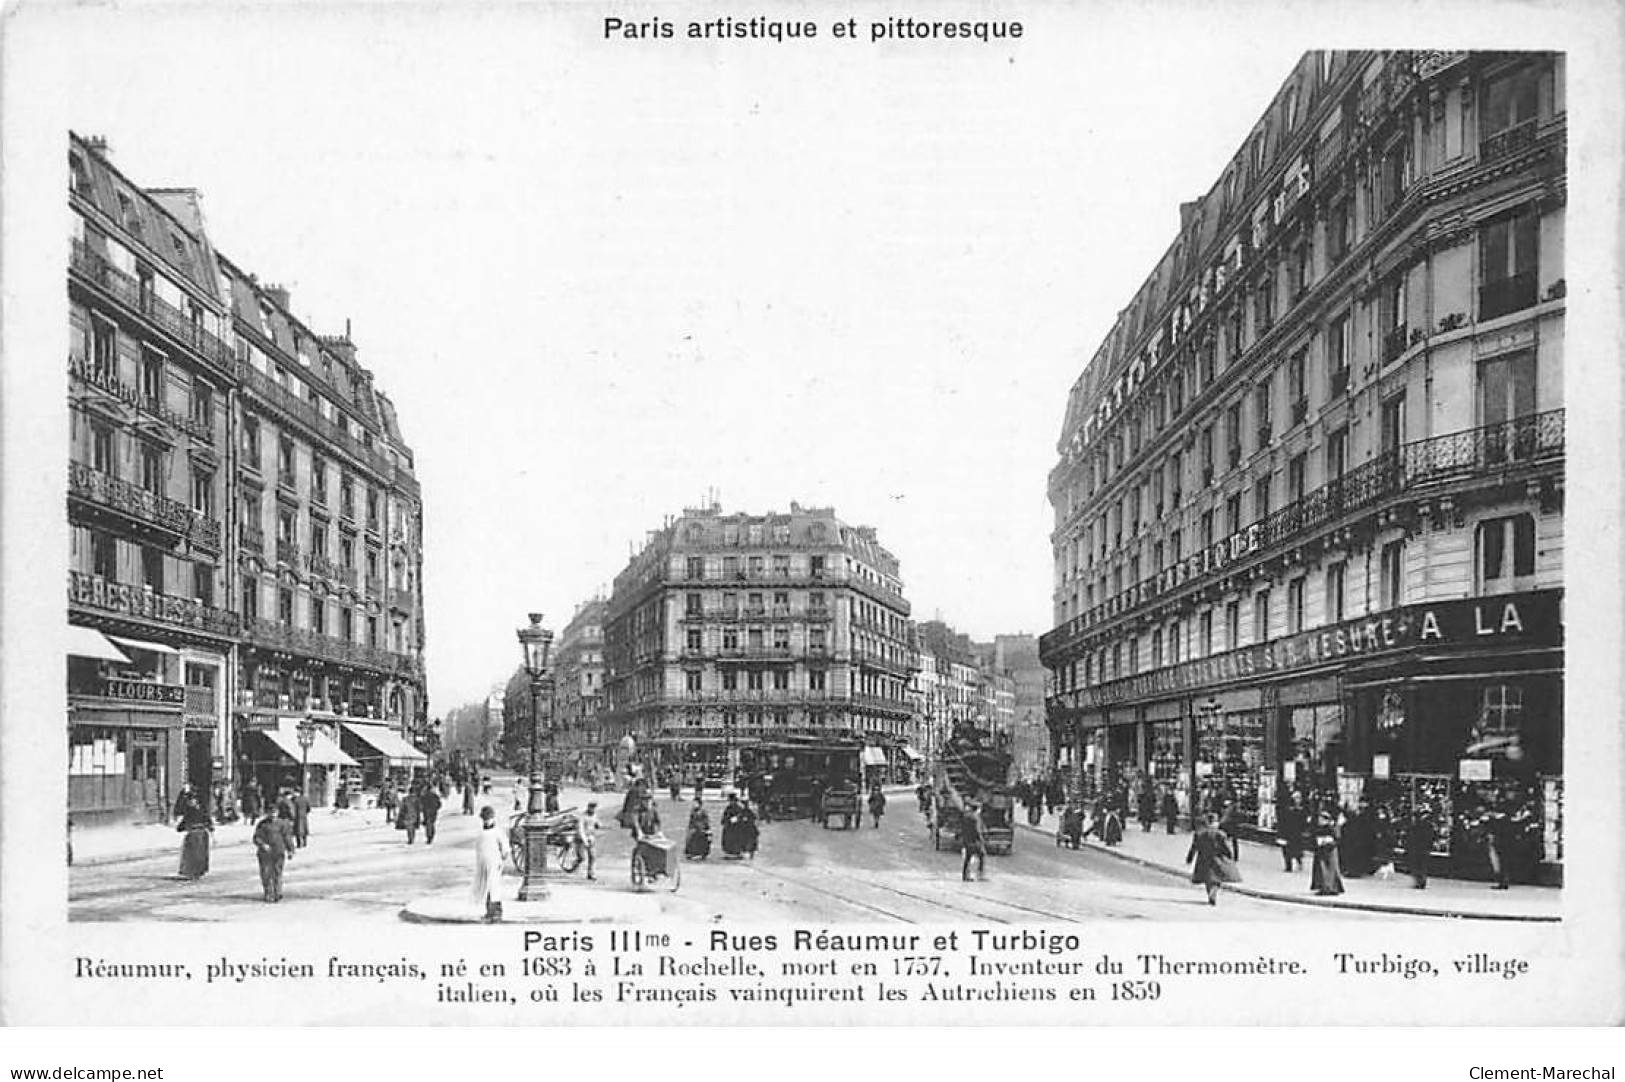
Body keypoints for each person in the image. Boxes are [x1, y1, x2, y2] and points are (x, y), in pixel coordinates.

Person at [1186, 813, 1242, 906]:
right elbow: (1226, 847)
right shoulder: (1220, 834)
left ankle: (1210, 894)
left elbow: (1194, 847)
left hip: (1204, 858)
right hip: (1218, 858)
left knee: (1208, 879)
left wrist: (1190, 858)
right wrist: (1230, 856)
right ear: (1216, 823)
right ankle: (1213, 893)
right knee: (1217, 878)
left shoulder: (1200, 833)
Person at [469, 805, 510, 921]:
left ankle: (496, 912)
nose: (487, 821)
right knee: (486, 887)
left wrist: (501, 860)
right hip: (483, 864)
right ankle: (489, 911)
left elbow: (505, 848)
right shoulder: (481, 832)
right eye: (485, 819)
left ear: (493, 818)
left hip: (494, 863)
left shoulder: (497, 832)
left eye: (488, 819)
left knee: (494, 887)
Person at [252, 805, 296, 902]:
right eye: (271, 812)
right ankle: (268, 893)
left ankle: (277, 892)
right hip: (265, 853)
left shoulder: (282, 824)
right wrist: (262, 844)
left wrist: (290, 850)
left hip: (278, 851)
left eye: (275, 812)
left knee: (277, 873)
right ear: (267, 813)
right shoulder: (262, 824)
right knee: (266, 874)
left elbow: (287, 838)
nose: (273, 815)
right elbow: (256, 838)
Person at [174, 784, 213, 880]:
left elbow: (207, 819)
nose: (191, 802)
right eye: (189, 801)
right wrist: (181, 827)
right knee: (190, 855)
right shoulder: (189, 811)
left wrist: (210, 827)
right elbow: (183, 822)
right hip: (192, 834)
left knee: (199, 855)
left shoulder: (201, 810)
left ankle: (198, 871)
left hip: (200, 834)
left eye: (192, 800)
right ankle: (190, 871)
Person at [1309, 802, 1345, 896]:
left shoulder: (1331, 828)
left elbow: (1337, 838)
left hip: (1330, 850)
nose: (1320, 821)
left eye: (1322, 819)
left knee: (1330, 869)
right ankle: (1323, 887)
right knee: (1321, 870)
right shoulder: (1319, 828)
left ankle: (1331, 887)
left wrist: (1328, 841)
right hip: (1321, 850)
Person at [1404, 810, 1437, 890]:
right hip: (1422, 848)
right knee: (1421, 866)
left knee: (1418, 865)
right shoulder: (1427, 826)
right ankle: (1421, 881)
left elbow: (1411, 837)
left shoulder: (1417, 826)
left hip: (1418, 848)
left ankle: (1420, 881)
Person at [720, 793, 759, 860]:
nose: (731, 802)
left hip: (737, 828)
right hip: (729, 827)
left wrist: (738, 819)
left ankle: (738, 852)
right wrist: (727, 821)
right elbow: (725, 818)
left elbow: (746, 818)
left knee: (739, 839)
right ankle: (730, 852)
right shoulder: (728, 808)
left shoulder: (740, 809)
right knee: (728, 839)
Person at [1277, 790, 1306, 873]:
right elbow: (1283, 820)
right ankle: (1288, 866)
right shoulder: (1287, 808)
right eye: (1296, 798)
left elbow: (1303, 821)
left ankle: (1299, 861)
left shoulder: (1302, 810)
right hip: (1287, 832)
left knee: (1296, 850)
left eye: (1299, 798)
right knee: (1286, 850)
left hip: (1297, 833)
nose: (1298, 800)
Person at [959, 800, 987, 881]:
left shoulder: (966, 816)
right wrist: (981, 839)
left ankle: (965, 875)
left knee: (968, 858)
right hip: (974, 841)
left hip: (967, 840)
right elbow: (977, 830)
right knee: (982, 855)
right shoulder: (975, 818)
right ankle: (980, 875)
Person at [1370, 805, 1397, 879]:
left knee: (1384, 852)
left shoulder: (1385, 819)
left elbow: (1386, 827)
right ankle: (1384, 868)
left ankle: (1386, 868)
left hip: (1385, 838)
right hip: (1381, 838)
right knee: (1381, 852)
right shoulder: (1378, 818)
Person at [579, 801, 601, 880]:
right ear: (588, 807)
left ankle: (591, 873)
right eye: (592, 808)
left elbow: (597, 823)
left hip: (591, 838)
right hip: (582, 839)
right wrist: (584, 840)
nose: (593, 810)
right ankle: (575, 864)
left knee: (593, 856)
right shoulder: (583, 817)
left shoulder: (594, 815)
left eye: (594, 808)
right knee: (582, 857)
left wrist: (598, 824)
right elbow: (580, 829)